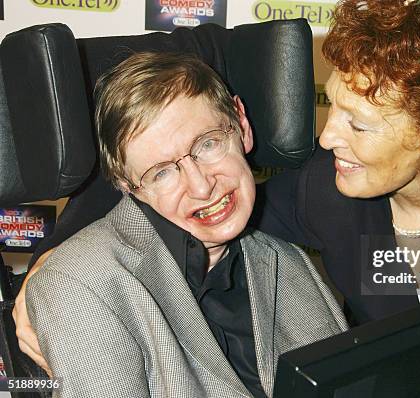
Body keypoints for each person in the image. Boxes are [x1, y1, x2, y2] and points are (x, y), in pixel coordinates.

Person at [14, 0, 420, 395]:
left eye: (360, 125)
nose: (326, 138)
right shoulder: (330, 192)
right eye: (334, 108)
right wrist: (50, 264)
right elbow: (180, 189)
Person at [23, 51, 347, 397]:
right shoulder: (81, 284)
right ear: (128, 186)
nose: (201, 186)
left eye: (208, 144)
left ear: (241, 125)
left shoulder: (286, 259)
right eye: (161, 172)